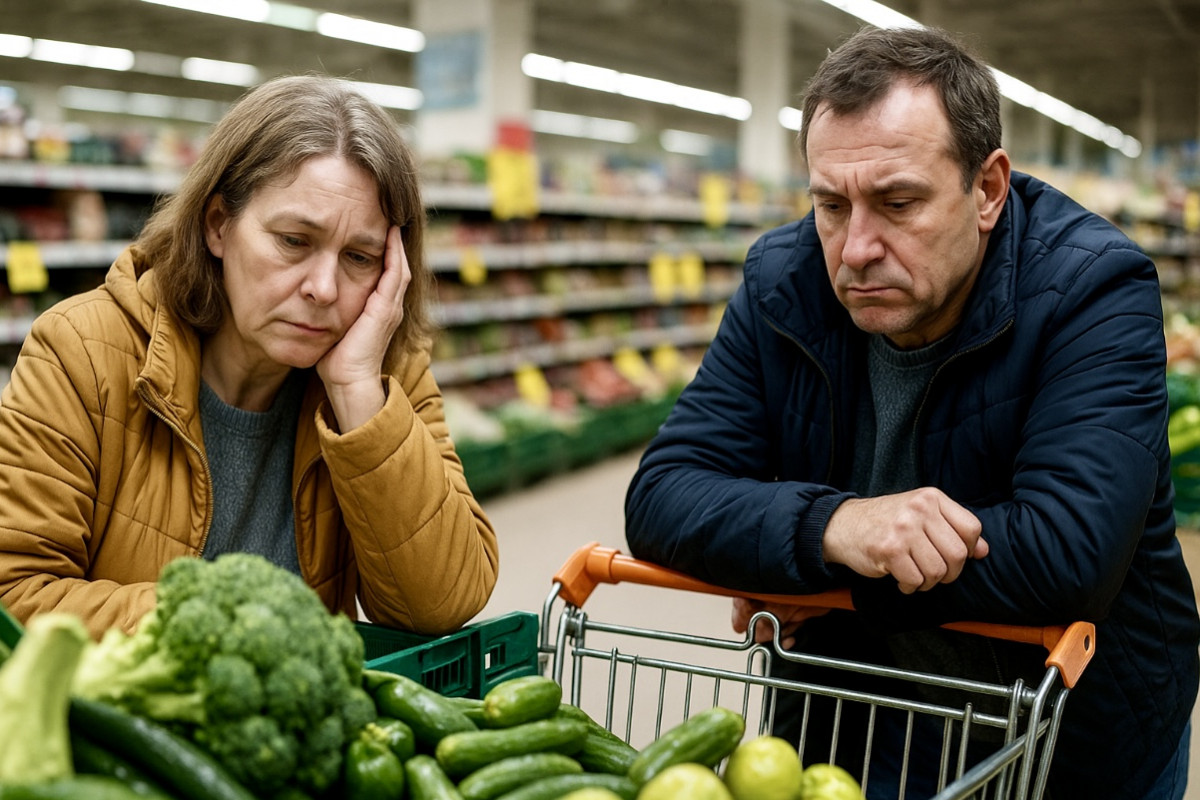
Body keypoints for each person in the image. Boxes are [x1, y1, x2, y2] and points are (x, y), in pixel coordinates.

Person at [625, 25, 1200, 800]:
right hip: (856, 724)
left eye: (897, 202)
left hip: (1060, 741)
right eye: (831, 204)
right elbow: (662, 494)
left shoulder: (1094, 289)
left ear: (988, 189)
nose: (856, 247)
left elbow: (1070, 555)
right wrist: (838, 528)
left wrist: (829, 576)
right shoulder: (783, 280)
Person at [0, 75, 499, 640]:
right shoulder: (81, 353)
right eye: (293, 240)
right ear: (218, 224)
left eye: (359, 257)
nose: (324, 288)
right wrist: (223, 617)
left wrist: (359, 391)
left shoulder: (383, 370)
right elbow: (15, 594)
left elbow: (442, 603)